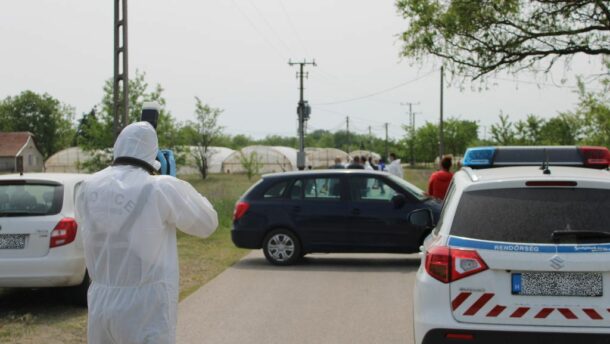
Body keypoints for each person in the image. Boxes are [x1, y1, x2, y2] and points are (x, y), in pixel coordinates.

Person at [75, 122, 218, 344]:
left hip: (101, 301)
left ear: (119, 146)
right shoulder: (160, 187)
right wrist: (176, 182)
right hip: (146, 305)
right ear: (153, 154)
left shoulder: (88, 186)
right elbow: (207, 223)